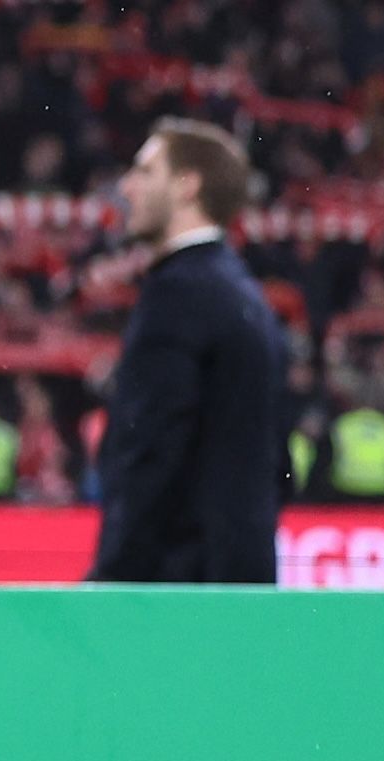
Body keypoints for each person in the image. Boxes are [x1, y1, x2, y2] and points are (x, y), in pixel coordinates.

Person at [89, 118, 291, 582]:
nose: (127, 186)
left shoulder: (179, 294)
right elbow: (277, 462)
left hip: (175, 588)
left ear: (187, 186)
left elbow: (151, 453)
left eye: (145, 170)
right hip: (237, 578)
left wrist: (112, 577)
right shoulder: (245, 295)